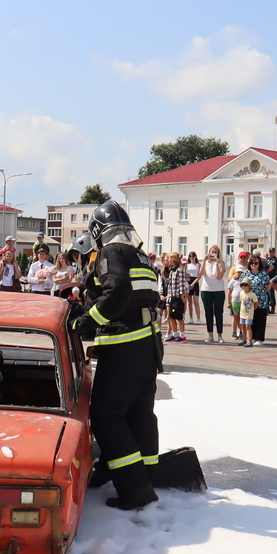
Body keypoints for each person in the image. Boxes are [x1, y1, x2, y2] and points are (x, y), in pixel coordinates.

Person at [74, 200, 162, 510]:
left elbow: (118, 292)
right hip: (147, 345)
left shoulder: (109, 253)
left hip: (124, 346)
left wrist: (86, 321)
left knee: (106, 417)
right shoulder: (140, 255)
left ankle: (135, 489)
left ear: (97, 230)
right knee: (138, 415)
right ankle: (146, 476)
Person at [240, 253, 273, 345]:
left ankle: (259, 339)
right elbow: (241, 283)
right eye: (252, 263)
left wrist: (261, 293)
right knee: (250, 320)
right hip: (248, 301)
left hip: (261, 301)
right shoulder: (246, 273)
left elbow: (268, 286)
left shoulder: (263, 274)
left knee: (260, 320)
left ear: (259, 264)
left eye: (256, 263)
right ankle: (251, 338)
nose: (253, 265)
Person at [199, 245, 226, 343]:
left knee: (218, 313)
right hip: (206, 290)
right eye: (212, 252)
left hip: (218, 290)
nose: (213, 254)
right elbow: (201, 273)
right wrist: (203, 261)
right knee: (208, 312)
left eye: (215, 252)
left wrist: (217, 264)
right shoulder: (206, 262)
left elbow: (219, 276)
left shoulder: (221, 263)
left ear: (218, 253)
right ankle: (210, 335)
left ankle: (220, 335)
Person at [161, 252, 189, 343]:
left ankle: (182, 336)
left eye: (169, 259)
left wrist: (182, 296)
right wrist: (163, 277)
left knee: (179, 317)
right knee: (171, 316)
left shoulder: (179, 270)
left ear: (174, 260)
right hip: (170, 296)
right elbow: (171, 282)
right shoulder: (172, 270)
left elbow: (181, 284)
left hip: (177, 297)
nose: (167, 261)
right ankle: (174, 334)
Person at [184, 252, 203, 325]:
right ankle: (191, 318)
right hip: (188, 282)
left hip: (195, 283)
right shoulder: (187, 265)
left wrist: (193, 284)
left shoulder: (198, 265)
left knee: (196, 301)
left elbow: (199, 276)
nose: (191, 258)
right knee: (189, 302)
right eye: (190, 256)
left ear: (195, 257)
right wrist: (187, 282)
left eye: (193, 256)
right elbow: (185, 274)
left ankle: (198, 318)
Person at [237, 280, 257, 347]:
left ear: (250, 286)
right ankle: (244, 339)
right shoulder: (241, 293)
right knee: (243, 326)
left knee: (248, 327)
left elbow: (256, 303)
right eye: (242, 285)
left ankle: (249, 341)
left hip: (249, 314)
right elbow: (241, 302)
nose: (244, 286)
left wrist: (252, 309)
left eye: (246, 285)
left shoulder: (252, 294)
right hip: (242, 313)